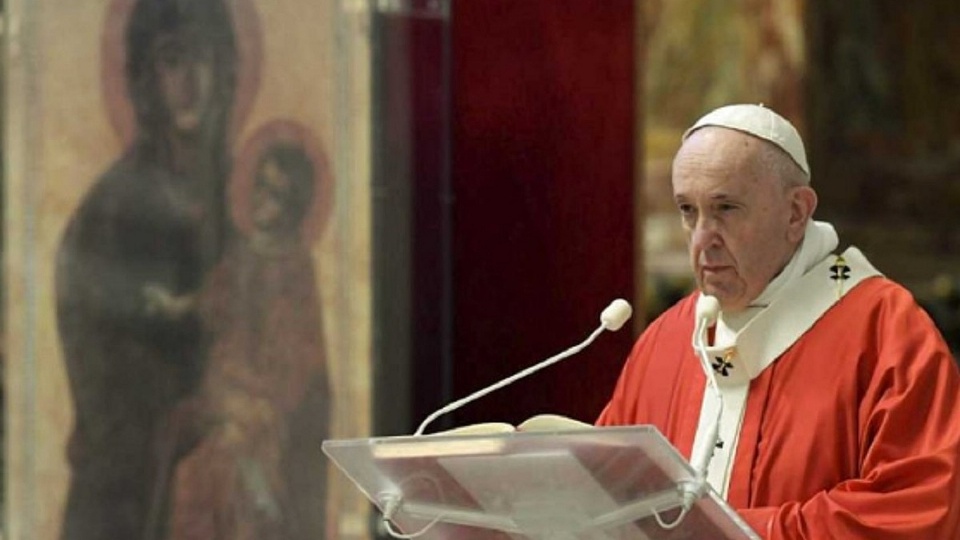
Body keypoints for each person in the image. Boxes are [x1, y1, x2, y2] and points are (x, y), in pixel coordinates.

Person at [597, 104, 960, 538]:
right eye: (688, 210)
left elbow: (917, 507)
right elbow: (608, 499)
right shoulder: (667, 338)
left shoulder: (885, 330)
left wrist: (739, 532)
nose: (702, 238)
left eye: (725, 208)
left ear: (795, 213)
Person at [55, 0, 238, 538]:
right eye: (173, 60)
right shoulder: (112, 210)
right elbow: (103, 369)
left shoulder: (250, 196)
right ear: (145, 79)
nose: (191, 81)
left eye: (204, 57)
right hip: (128, 495)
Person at [146, 141, 331, 539]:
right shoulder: (242, 253)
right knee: (193, 466)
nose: (262, 199)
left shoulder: (296, 267)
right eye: (260, 185)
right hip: (226, 384)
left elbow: (299, 355)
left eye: (276, 194)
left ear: (293, 207)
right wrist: (176, 306)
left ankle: (258, 489)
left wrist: (261, 390)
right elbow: (211, 301)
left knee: (223, 466)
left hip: (264, 398)